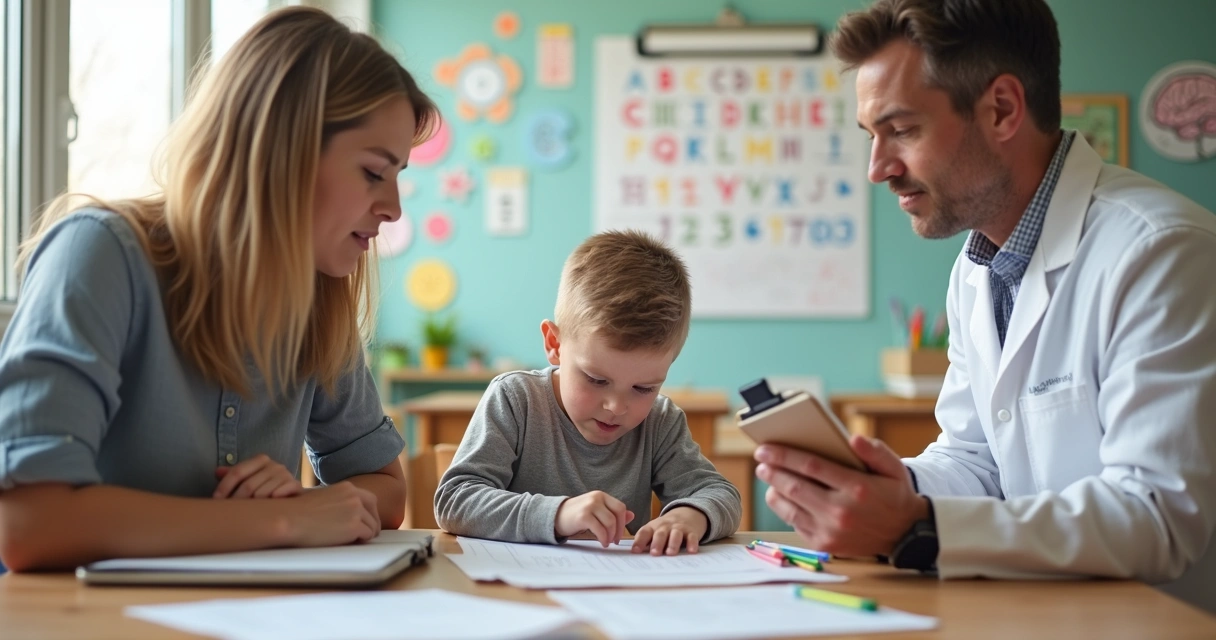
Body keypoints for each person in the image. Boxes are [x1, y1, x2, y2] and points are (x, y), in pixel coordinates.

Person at [755, 0, 1216, 612]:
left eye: (902, 129)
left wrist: (916, 528)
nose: (877, 169)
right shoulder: (977, 269)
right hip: (1034, 613)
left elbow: (1158, 516)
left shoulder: (1161, 253)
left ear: (1001, 109)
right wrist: (897, 490)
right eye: (872, 136)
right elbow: (978, 459)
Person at [0, 7, 440, 571]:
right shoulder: (101, 254)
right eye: (374, 172)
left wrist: (305, 506)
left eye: (398, 176)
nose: (393, 208)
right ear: (282, 152)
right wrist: (279, 521)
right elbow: (30, 524)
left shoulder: (318, 299)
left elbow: (385, 491)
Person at [435, 230, 741, 555]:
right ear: (554, 345)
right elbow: (456, 499)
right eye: (596, 379)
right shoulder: (515, 399)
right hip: (520, 591)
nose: (616, 406)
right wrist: (559, 515)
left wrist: (689, 516)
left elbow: (721, 494)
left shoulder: (660, 421)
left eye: (643, 388)